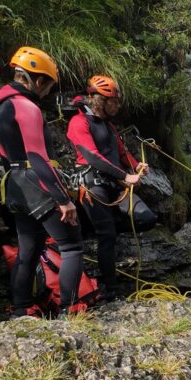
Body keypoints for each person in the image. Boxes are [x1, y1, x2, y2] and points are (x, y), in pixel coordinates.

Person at [0, 46, 85, 317]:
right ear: (39, 80)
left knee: (29, 248)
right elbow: (38, 157)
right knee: (72, 244)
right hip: (36, 181)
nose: (47, 92)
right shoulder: (26, 106)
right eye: (48, 86)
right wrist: (63, 199)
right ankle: (70, 308)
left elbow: (4, 154)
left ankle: (21, 309)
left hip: (14, 184)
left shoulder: (2, 105)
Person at [66, 74, 156, 301]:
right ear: (100, 100)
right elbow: (92, 157)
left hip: (114, 184)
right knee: (107, 236)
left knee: (146, 218)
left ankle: (98, 223)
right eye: (114, 101)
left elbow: (122, 153)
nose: (117, 106)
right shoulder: (79, 122)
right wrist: (126, 175)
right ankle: (110, 289)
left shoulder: (109, 126)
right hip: (91, 183)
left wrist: (137, 167)